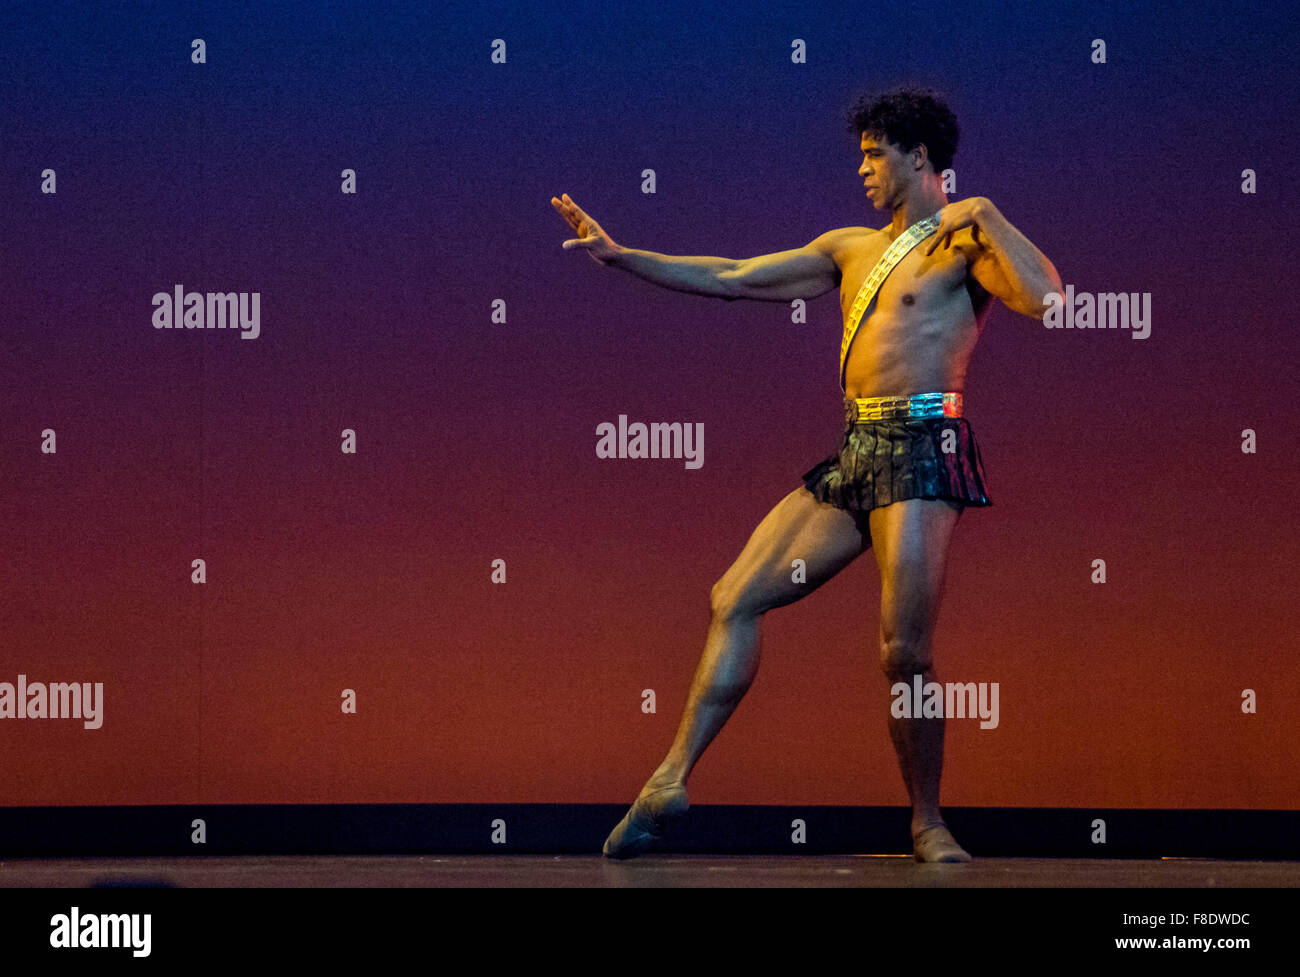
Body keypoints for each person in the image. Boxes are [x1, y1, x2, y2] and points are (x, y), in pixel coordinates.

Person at [551, 86, 1062, 862]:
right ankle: (669, 780)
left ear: (918, 156)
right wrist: (624, 258)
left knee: (904, 651)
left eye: (873, 154)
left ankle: (927, 820)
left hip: (925, 450)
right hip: (857, 452)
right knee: (734, 596)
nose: (861, 168)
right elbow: (733, 275)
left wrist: (986, 213)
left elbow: (1048, 299)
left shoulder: (964, 244)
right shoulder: (849, 248)